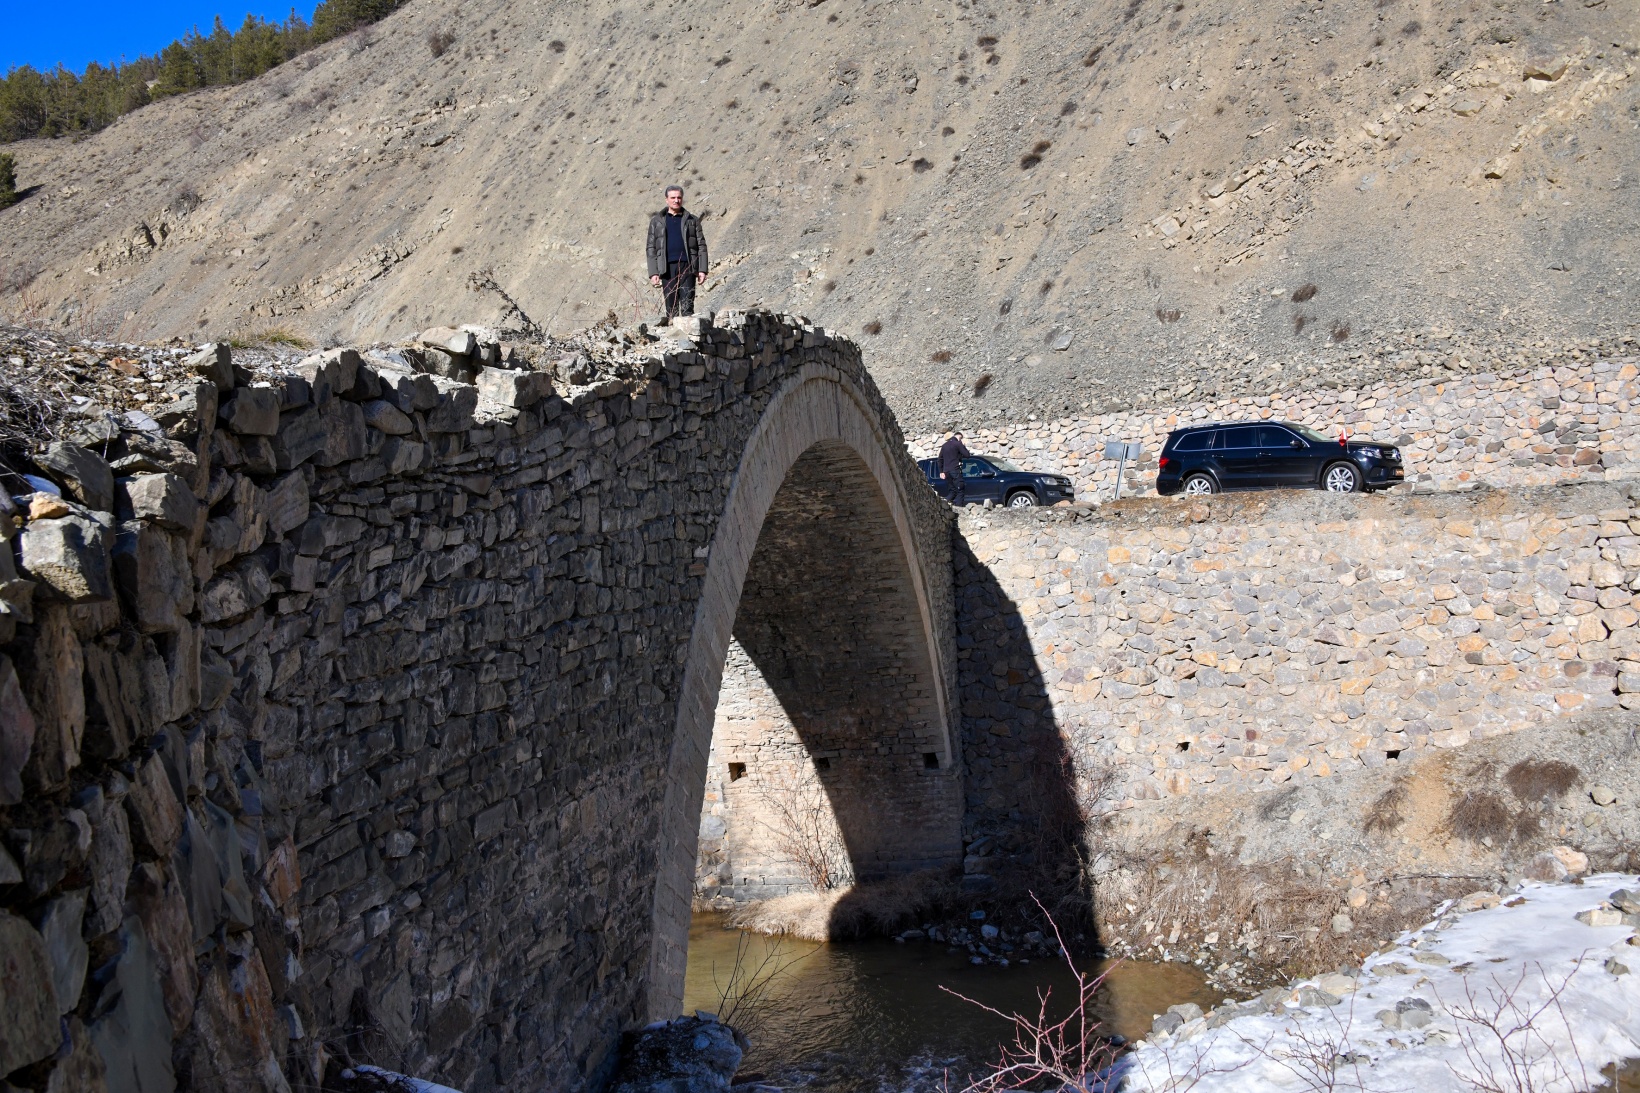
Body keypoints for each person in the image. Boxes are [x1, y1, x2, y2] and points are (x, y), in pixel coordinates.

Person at [647, 185, 709, 323]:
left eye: (679, 197)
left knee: (687, 305)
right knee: (671, 307)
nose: (676, 200)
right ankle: (674, 340)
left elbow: (702, 246)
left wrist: (702, 269)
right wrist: (653, 272)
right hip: (666, 268)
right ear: (666, 200)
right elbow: (651, 248)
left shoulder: (692, 220)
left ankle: (689, 339)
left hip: (688, 266)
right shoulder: (656, 222)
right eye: (673, 198)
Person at [938, 431, 970, 506]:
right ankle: (959, 509)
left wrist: (941, 471)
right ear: (959, 437)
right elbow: (967, 455)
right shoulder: (958, 444)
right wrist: (963, 446)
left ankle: (944, 504)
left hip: (946, 472)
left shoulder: (944, 446)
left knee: (952, 491)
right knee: (960, 490)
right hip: (955, 470)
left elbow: (940, 459)